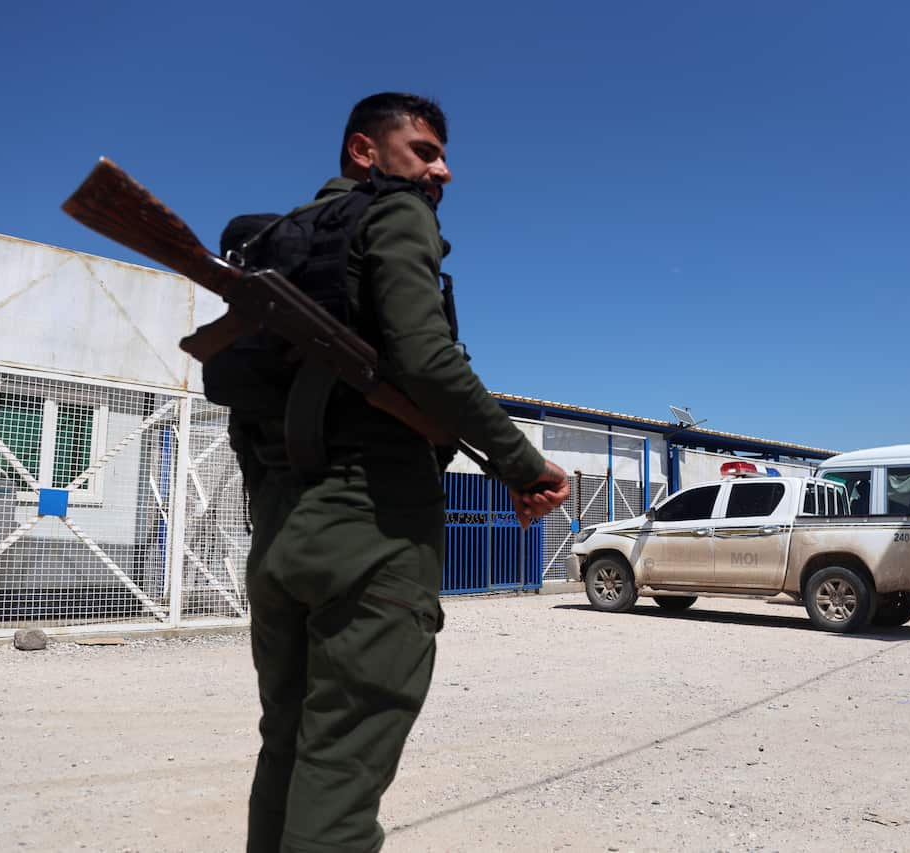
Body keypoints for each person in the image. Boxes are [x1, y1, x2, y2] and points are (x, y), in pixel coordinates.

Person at [229, 92, 570, 852]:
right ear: (364, 151)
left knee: (287, 748)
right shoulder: (396, 212)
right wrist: (521, 463)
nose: (442, 170)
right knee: (342, 768)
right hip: (372, 524)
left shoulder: (279, 244)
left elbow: (244, 402)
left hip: (281, 529)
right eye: (424, 150)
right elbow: (427, 359)